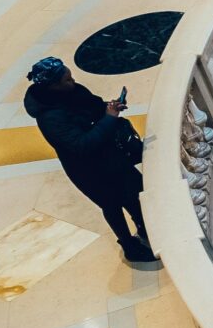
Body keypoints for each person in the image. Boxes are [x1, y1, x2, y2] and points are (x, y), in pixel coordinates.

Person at [23, 57, 153, 261]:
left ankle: (144, 227)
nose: (72, 82)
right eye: (67, 80)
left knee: (133, 192)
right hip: (90, 170)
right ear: (53, 86)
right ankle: (129, 246)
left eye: (71, 77)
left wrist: (110, 107)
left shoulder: (74, 91)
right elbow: (81, 145)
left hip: (112, 155)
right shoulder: (50, 118)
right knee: (111, 205)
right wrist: (109, 118)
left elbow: (94, 106)